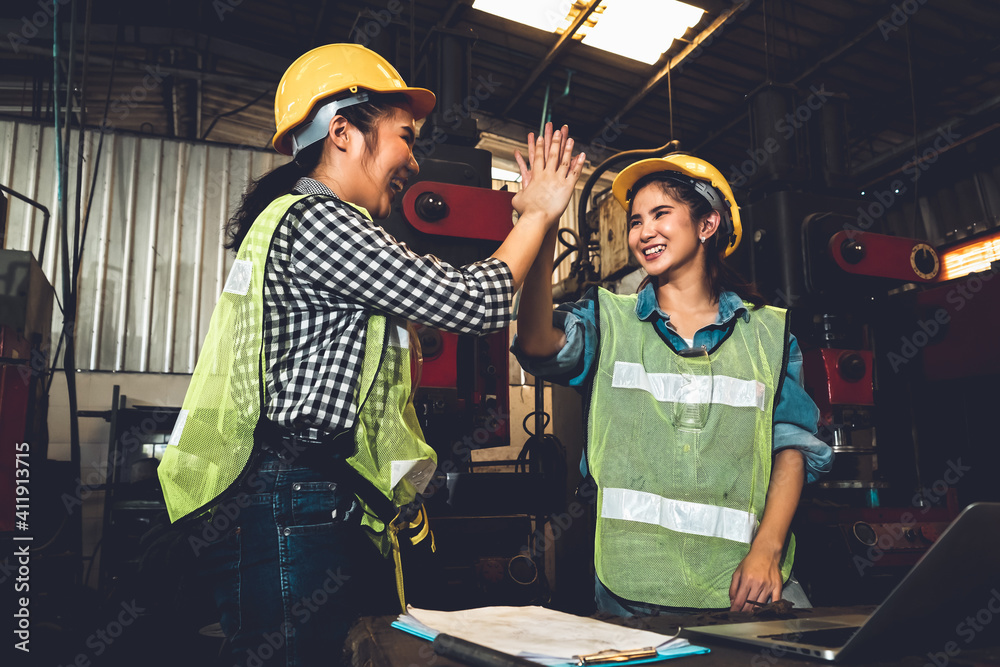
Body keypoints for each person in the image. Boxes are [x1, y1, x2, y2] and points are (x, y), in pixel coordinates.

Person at [156, 43, 585, 665]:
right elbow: (474, 301)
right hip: (289, 495)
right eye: (404, 136)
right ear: (344, 133)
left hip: (297, 491)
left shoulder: (298, 220)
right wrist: (539, 213)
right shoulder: (319, 220)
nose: (413, 157)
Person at [512, 153, 833, 616]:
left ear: (707, 225)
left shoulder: (768, 333)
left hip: (742, 583)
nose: (644, 232)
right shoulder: (609, 321)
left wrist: (767, 551)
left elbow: (791, 448)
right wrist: (541, 228)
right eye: (636, 220)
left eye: (662, 214)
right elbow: (538, 342)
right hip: (632, 587)